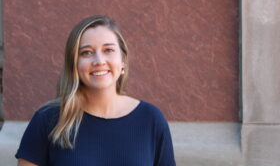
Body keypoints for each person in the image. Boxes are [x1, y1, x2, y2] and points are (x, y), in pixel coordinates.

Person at [15, 15, 176, 166]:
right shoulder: (48, 119)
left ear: (123, 61)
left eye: (108, 50)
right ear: (74, 65)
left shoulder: (150, 119)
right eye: (86, 53)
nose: (99, 61)